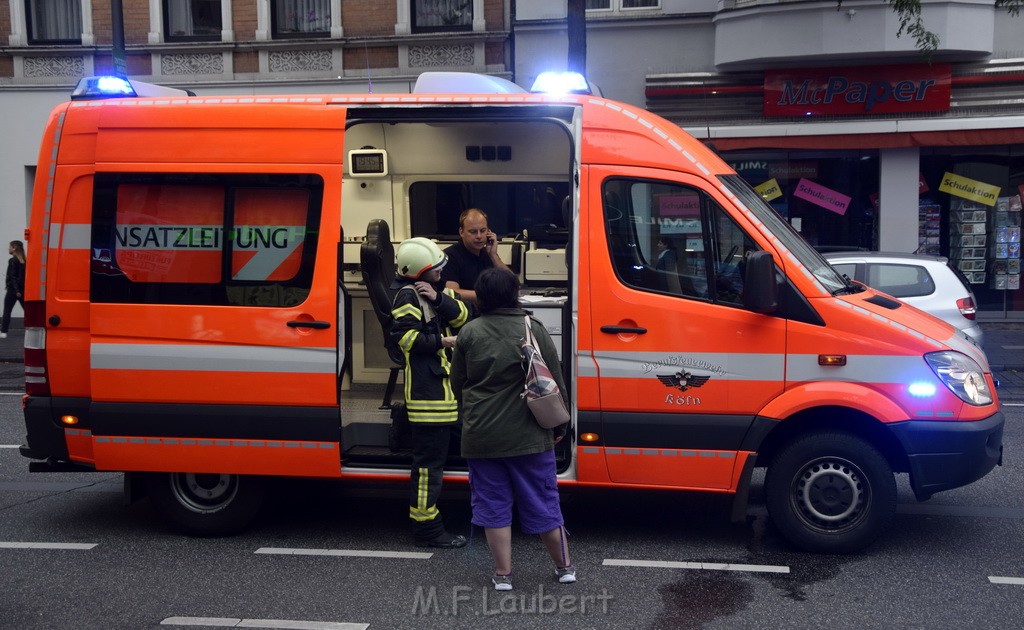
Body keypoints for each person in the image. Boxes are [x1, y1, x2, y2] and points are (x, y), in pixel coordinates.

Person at [450, 267, 574, 591]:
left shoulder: (469, 332)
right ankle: (564, 568)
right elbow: (554, 382)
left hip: (482, 436)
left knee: (492, 505)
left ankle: (503, 574)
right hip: (530, 435)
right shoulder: (532, 327)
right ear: (513, 293)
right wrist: (560, 426)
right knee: (543, 501)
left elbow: (457, 383)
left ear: (483, 297)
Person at [391, 237, 470, 548]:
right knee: (428, 470)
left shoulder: (435, 292)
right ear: (420, 271)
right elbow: (407, 340)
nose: (442, 270)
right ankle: (427, 529)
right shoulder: (405, 297)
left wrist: (437, 299)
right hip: (428, 400)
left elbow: (464, 315)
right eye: (436, 268)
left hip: (449, 397)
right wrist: (445, 342)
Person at [441, 208, 510, 307]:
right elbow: (452, 292)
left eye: (483, 231)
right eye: (473, 232)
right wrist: (488, 297)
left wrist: (494, 255)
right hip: (466, 314)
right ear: (461, 232)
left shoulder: (488, 253)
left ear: (489, 231)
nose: (479, 236)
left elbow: (511, 285)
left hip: (489, 312)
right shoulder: (450, 256)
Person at [1, 240, 26, 339]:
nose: (8, 248)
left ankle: (3, 332)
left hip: (13, 290)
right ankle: (32, 329)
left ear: (14, 248)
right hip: (22, 290)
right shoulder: (24, 260)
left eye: (10, 247)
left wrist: (16, 291)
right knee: (28, 311)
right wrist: (20, 290)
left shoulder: (12, 260)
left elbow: (12, 276)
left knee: (7, 311)